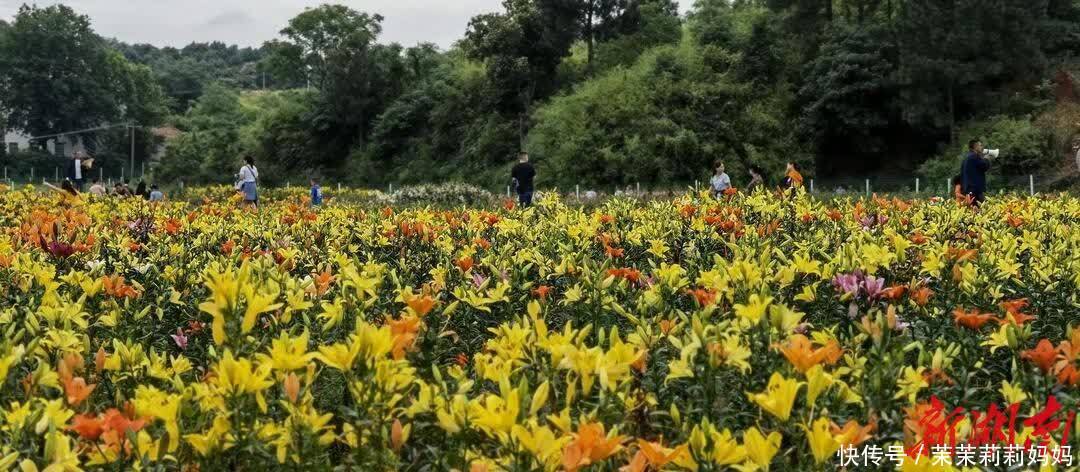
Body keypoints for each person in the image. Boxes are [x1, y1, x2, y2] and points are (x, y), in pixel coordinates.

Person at [960, 139, 991, 205]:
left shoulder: (967, 157)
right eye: (980, 145)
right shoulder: (974, 156)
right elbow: (984, 166)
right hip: (975, 189)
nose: (982, 147)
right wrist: (986, 159)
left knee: (974, 208)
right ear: (975, 147)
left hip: (969, 188)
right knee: (979, 208)